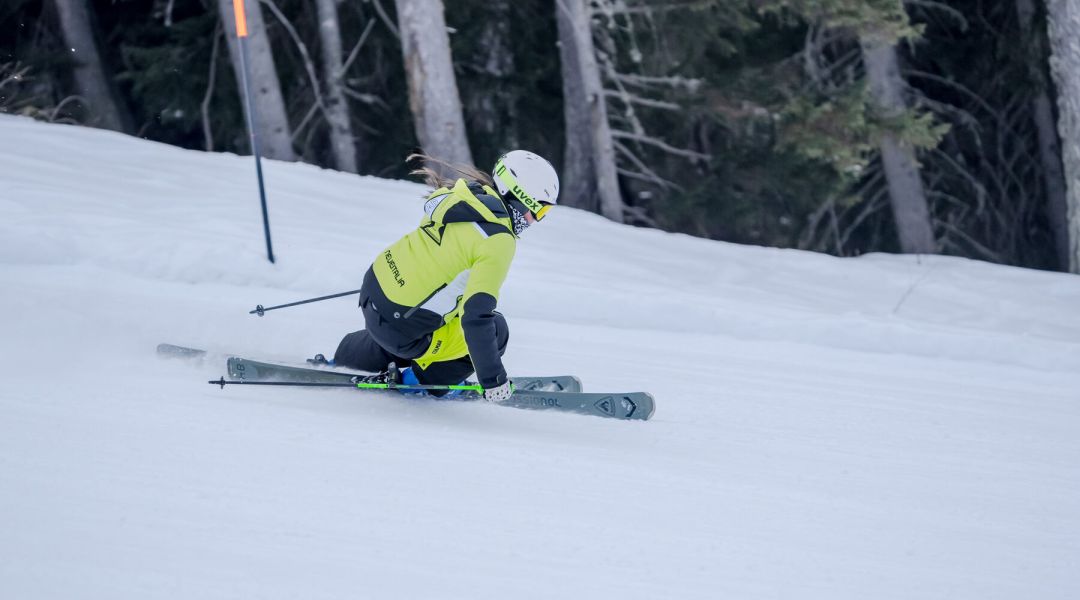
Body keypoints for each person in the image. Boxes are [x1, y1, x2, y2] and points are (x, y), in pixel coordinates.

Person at [330, 150, 559, 402]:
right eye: (539, 211)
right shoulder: (498, 240)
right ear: (519, 199)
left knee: (435, 314)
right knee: (496, 329)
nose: (535, 220)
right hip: (401, 328)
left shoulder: (461, 197)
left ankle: (347, 355)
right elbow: (477, 318)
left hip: (373, 292)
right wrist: (493, 380)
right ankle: (419, 382)